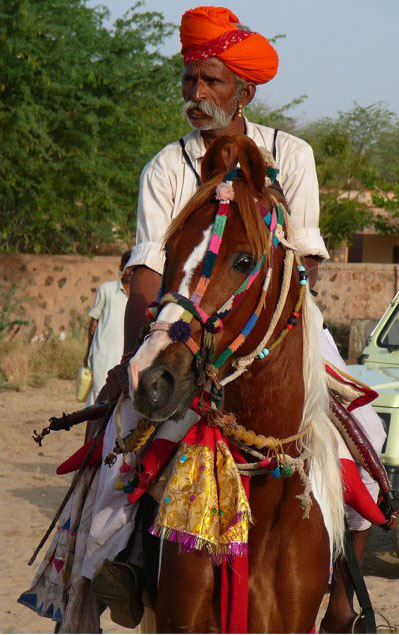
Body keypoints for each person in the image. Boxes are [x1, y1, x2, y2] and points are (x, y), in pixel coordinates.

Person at [19, 7, 385, 633]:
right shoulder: (166, 168)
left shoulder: (290, 156)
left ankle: (345, 580)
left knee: (366, 431)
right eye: (189, 80)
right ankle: (119, 563)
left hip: (282, 325)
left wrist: (264, 329)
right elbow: (145, 272)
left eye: (210, 81)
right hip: (184, 328)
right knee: (116, 443)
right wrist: (145, 348)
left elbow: (307, 261)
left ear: (245, 89)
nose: (196, 94)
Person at [83, 250, 132, 405]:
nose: (130, 272)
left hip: (125, 357)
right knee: (98, 394)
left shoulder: (138, 297)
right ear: (121, 267)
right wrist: (87, 353)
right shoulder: (107, 289)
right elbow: (93, 323)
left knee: (120, 398)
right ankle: (92, 429)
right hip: (103, 353)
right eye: (128, 267)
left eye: (134, 268)